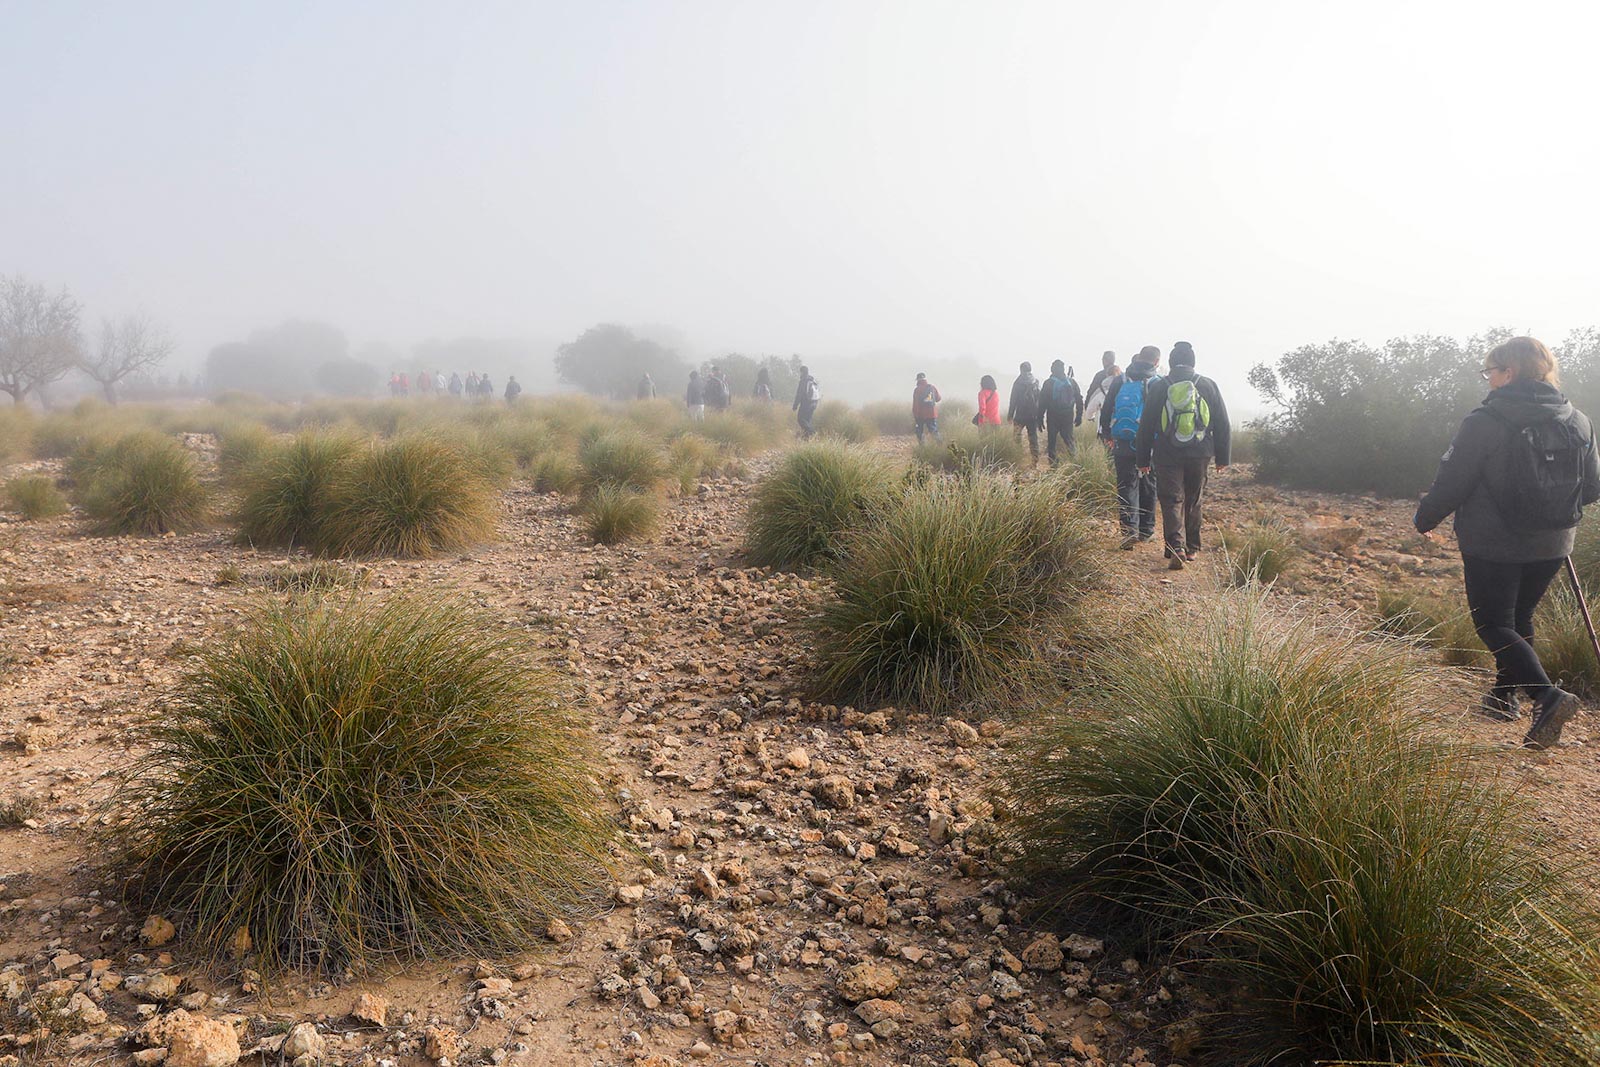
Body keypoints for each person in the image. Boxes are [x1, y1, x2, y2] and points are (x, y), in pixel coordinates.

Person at [1415, 337, 1600, 749]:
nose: (1488, 380)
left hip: (1494, 541)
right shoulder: (1578, 419)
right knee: (1518, 617)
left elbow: (1454, 479)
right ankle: (1504, 696)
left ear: (1509, 372)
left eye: (1490, 372)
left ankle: (1546, 696)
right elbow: (1591, 489)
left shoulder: (1485, 421)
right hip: (1555, 541)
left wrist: (1425, 517)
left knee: (1492, 622)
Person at [1136, 341, 1231, 570]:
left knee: (1171, 499)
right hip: (1200, 452)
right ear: (1193, 362)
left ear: (1170, 362)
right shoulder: (1208, 385)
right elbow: (1223, 423)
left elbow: (1146, 425)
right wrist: (1222, 458)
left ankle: (1175, 546)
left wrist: (1142, 460)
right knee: (1193, 498)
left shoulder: (1160, 387)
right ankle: (1192, 549)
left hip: (1167, 453)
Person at [1099, 347, 1161, 547]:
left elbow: (1108, 408)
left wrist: (1108, 434)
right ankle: (1146, 530)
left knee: (1126, 485)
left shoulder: (1121, 380)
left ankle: (1128, 531)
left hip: (1123, 439)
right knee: (1149, 484)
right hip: (1149, 444)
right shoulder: (1158, 383)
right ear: (1156, 361)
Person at [1041, 359, 1084, 463]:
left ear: (1052, 370)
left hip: (1053, 417)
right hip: (1068, 416)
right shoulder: (1072, 382)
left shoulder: (1048, 383)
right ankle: (1075, 463)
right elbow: (1079, 399)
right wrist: (1079, 416)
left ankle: (1053, 466)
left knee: (1052, 442)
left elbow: (1042, 403)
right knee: (1069, 440)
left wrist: (1040, 418)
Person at [1006, 361, 1043, 465]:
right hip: (1033, 415)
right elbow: (1039, 399)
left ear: (1021, 369)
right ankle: (1035, 460)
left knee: (1017, 436)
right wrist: (1040, 415)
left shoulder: (1017, 383)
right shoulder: (1036, 381)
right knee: (1033, 437)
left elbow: (1013, 400)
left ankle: (1019, 456)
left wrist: (1010, 415)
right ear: (1030, 369)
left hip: (1020, 415)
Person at [1084, 351, 1120, 432]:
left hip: (1103, 416)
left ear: (1104, 360)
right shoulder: (1122, 376)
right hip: (1121, 419)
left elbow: (1091, 392)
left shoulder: (1100, 375)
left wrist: (1088, 410)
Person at [912, 372, 942, 444]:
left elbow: (916, 404)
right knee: (934, 430)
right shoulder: (932, 387)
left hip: (920, 415)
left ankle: (922, 446)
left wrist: (915, 415)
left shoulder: (917, 390)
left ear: (918, 380)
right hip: (932, 414)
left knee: (919, 431)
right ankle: (940, 444)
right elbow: (938, 399)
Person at [793, 365, 819, 439]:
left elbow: (799, 394)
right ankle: (806, 439)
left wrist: (795, 405)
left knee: (800, 419)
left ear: (802, 372)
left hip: (806, 403)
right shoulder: (812, 380)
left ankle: (812, 432)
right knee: (807, 420)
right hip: (814, 402)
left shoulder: (804, 381)